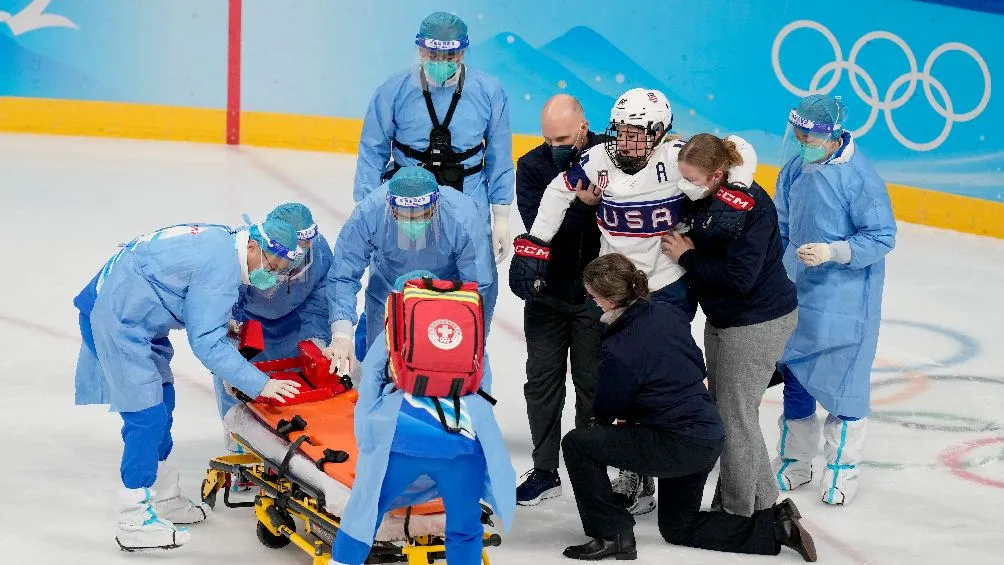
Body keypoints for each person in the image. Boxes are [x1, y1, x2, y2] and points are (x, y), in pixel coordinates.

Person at [510, 87, 758, 512]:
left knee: (664, 374)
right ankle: (633, 469)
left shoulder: (675, 157)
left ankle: (681, 449)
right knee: (618, 375)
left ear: (661, 134)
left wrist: (737, 186)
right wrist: (537, 241)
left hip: (668, 283)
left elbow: (738, 148)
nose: (627, 142)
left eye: (638, 134)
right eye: (622, 131)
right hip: (616, 289)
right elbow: (557, 191)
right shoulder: (597, 159)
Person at [560, 253, 816, 562]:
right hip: (706, 436)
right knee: (678, 526)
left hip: (675, 444)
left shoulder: (620, 349)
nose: (591, 302)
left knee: (577, 444)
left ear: (609, 301)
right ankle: (775, 527)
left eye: (592, 296)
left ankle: (611, 534)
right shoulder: (666, 313)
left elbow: (607, 407)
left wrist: (600, 420)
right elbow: (697, 364)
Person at [73, 218, 304, 550]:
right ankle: (132, 518)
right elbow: (206, 344)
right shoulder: (222, 268)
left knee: (163, 404)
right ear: (253, 245)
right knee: (146, 416)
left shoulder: (225, 242)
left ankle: (163, 496)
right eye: (271, 263)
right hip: (115, 319)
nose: (272, 274)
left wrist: (222, 323)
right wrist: (261, 384)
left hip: (135, 316)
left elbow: (186, 288)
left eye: (282, 269)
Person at [328, 271, 515, 565]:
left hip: (403, 436)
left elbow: (369, 389)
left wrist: (369, 443)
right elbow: (483, 390)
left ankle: (343, 561)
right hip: (462, 444)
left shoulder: (395, 331)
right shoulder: (469, 336)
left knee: (367, 507)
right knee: (465, 527)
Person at [660, 133, 798, 519]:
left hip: (757, 322)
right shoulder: (709, 198)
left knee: (735, 418)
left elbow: (741, 279)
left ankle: (736, 514)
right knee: (730, 414)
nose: (684, 185)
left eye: (691, 178)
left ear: (718, 175)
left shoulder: (750, 209)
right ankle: (766, 503)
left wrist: (687, 256)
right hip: (724, 319)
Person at [772, 94, 896, 505]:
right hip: (799, 292)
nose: (802, 139)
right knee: (797, 377)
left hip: (846, 301)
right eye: (799, 132)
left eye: (809, 134)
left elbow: (881, 236)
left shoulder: (859, 178)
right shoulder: (796, 168)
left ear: (832, 135)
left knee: (845, 386)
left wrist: (835, 251)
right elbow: (783, 223)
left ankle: (843, 468)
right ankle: (796, 459)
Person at [352, 11, 514, 267]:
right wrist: (366, 209)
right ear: (420, 51)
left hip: (468, 193)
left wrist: (502, 217)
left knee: (468, 275)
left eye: (449, 56)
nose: (441, 61)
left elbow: (499, 155)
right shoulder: (393, 90)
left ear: (462, 53)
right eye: (433, 54)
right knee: (401, 273)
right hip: (407, 199)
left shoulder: (489, 92)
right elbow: (373, 151)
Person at [511, 94, 606, 506]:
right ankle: (546, 469)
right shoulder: (531, 166)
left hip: (597, 300)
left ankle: (592, 468)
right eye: (549, 139)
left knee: (593, 387)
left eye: (564, 137)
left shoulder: (611, 156)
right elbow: (542, 227)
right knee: (542, 385)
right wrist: (586, 207)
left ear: (584, 128)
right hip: (547, 296)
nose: (556, 146)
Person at [323, 166, 496, 374]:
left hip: (447, 294)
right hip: (387, 293)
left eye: (422, 214)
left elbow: (479, 284)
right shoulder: (370, 212)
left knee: (441, 367)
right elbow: (344, 272)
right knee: (382, 368)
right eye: (404, 215)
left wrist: (470, 335)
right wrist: (341, 333)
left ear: (436, 203)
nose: (413, 221)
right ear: (390, 205)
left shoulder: (462, 215)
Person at [213, 203, 333, 425]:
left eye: (306, 247)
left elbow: (320, 297)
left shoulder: (319, 250)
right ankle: (238, 439)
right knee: (242, 392)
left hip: (295, 327)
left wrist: (315, 337)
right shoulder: (241, 250)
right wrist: (230, 359)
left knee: (299, 392)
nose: (299, 255)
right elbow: (218, 312)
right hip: (246, 326)